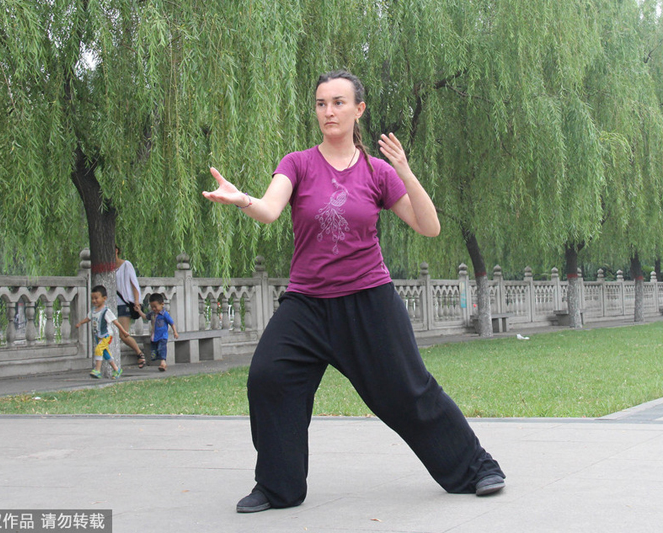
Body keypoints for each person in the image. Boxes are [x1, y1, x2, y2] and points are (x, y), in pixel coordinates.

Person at [202, 70, 506, 514]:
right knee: (268, 378)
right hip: (306, 303)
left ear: (358, 109)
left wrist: (405, 170)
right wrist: (243, 199)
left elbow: (429, 226)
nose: (329, 111)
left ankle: (475, 468)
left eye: (339, 102)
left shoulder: (377, 171)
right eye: (322, 103)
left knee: (408, 390)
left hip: (369, 300)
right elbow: (270, 210)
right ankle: (277, 487)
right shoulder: (298, 163)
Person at [75, 285, 127, 379]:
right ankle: (116, 369)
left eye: (96, 298)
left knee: (98, 349)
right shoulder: (93, 311)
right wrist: (80, 323)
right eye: (92, 298)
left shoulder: (106, 311)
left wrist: (123, 331)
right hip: (98, 336)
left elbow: (116, 322)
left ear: (104, 298)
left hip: (106, 335)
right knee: (105, 353)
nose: (94, 300)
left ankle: (97, 370)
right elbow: (88, 318)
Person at [115, 245, 148, 368]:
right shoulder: (107, 268)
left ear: (117, 250)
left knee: (123, 334)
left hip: (125, 304)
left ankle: (139, 353)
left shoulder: (126, 265)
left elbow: (134, 283)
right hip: (112, 304)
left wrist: (136, 301)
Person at [144, 293, 179, 372]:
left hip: (163, 336)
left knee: (161, 349)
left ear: (162, 304)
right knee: (153, 352)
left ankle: (163, 363)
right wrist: (138, 311)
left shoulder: (164, 314)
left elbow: (171, 323)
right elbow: (145, 317)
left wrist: (175, 332)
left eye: (155, 307)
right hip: (154, 337)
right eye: (152, 307)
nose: (154, 309)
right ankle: (159, 361)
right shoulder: (152, 314)